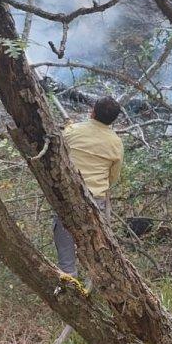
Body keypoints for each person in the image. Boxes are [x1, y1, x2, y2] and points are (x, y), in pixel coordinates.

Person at [53, 96, 124, 276]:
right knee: (98, 246)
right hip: (96, 202)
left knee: (65, 246)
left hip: (68, 196)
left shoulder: (72, 132)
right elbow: (112, 177)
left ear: (92, 111)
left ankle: (69, 278)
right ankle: (98, 280)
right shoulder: (116, 143)